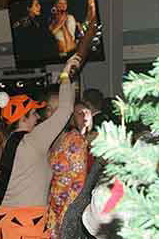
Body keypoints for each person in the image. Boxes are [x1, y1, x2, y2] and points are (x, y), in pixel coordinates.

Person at [0, 55, 80, 239]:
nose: (38, 118)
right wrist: (66, 76)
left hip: (3, 224)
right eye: (33, 114)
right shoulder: (34, 140)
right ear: (22, 119)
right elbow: (65, 110)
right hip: (30, 225)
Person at [46, 100, 93, 239]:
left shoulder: (79, 139)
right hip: (59, 204)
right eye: (79, 113)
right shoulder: (68, 138)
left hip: (69, 206)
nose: (83, 116)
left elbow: (79, 180)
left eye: (86, 112)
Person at [12, 0, 57, 65]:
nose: (39, 7)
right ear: (29, 8)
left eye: (39, 4)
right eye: (36, 5)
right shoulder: (25, 23)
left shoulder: (36, 21)